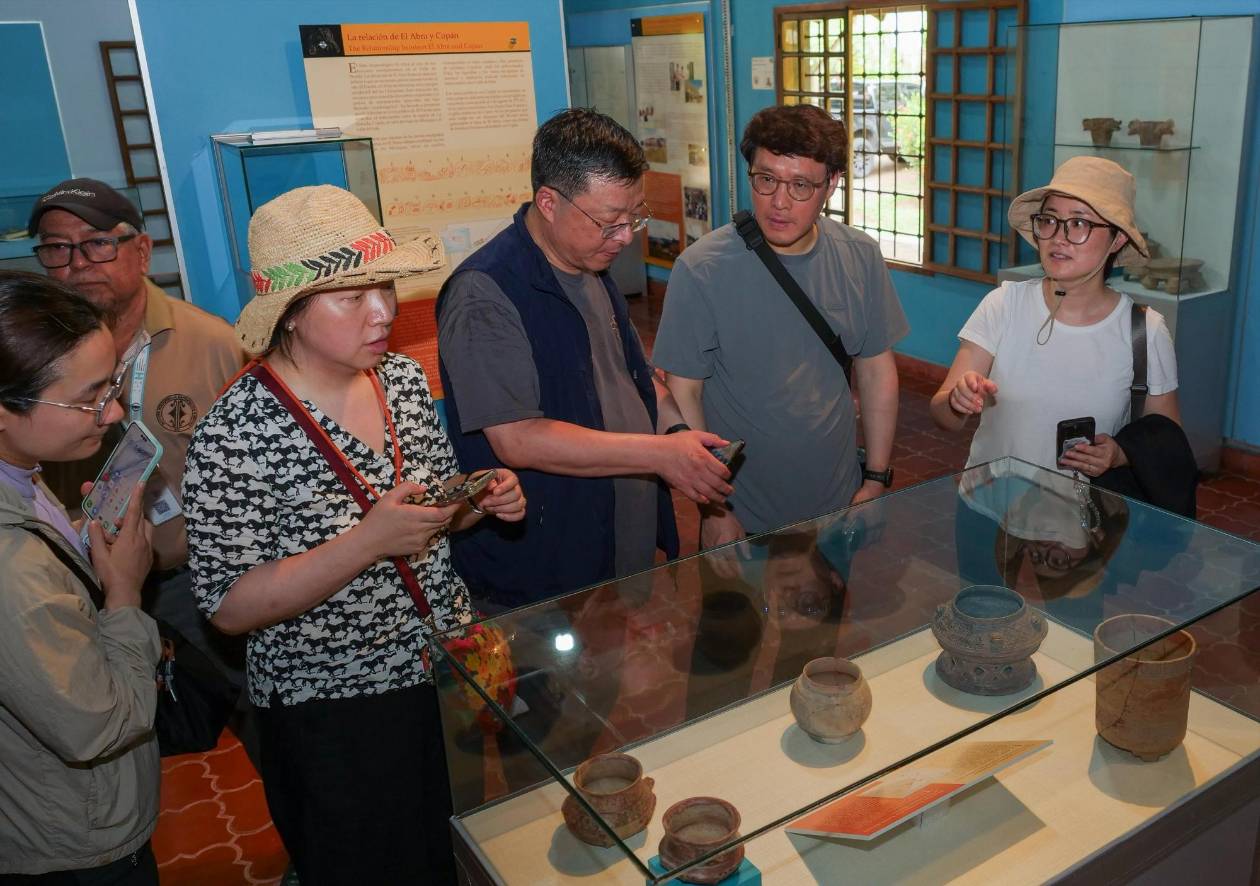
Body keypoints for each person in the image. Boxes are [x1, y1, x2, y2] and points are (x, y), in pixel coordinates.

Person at [182, 185, 525, 885]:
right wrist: (367, 543)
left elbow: (429, 514)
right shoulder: (234, 432)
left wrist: (477, 502)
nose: (385, 312)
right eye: (353, 297)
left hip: (441, 671)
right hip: (332, 710)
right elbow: (229, 605)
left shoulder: (399, 379)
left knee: (453, 851)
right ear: (292, 317)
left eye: (386, 287)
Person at [437, 108, 731, 610]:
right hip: (548, 569)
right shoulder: (486, 294)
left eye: (633, 218)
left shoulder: (589, 265)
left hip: (619, 544)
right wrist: (658, 455)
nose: (624, 238)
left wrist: (677, 435)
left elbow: (632, 379)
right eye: (609, 222)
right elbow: (517, 438)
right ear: (548, 202)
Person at [653, 104, 908, 567]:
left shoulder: (860, 258)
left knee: (822, 635)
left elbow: (876, 373)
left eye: (800, 185)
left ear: (830, 184)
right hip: (740, 512)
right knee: (732, 638)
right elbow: (683, 391)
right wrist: (712, 508)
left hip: (834, 501)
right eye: (765, 179)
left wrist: (874, 480)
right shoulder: (701, 269)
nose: (779, 201)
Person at [29, 178, 247, 713]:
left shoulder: (211, 343)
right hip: (75, 586)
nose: (78, 263)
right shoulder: (30, 358)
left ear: (142, 250)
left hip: (195, 579)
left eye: (98, 242)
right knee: (117, 727)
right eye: (57, 248)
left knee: (241, 716)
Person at [0, 272, 160, 883]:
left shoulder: (21, 465)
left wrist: (70, 535)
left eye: (113, 386)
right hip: (71, 846)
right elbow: (99, 725)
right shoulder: (11, 574)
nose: (113, 412)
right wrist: (123, 590)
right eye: (89, 397)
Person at [929, 156, 1180, 477]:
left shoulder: (1145, 331)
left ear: (1117, 239)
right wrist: (957, 401)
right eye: (1049, 220)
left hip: (1084, 522)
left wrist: (1120, 453)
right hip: (986, 509)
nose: (1058, 237)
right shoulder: (1004, 304)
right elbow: (943, 416)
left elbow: (1166, 440)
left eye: (1079, 223)